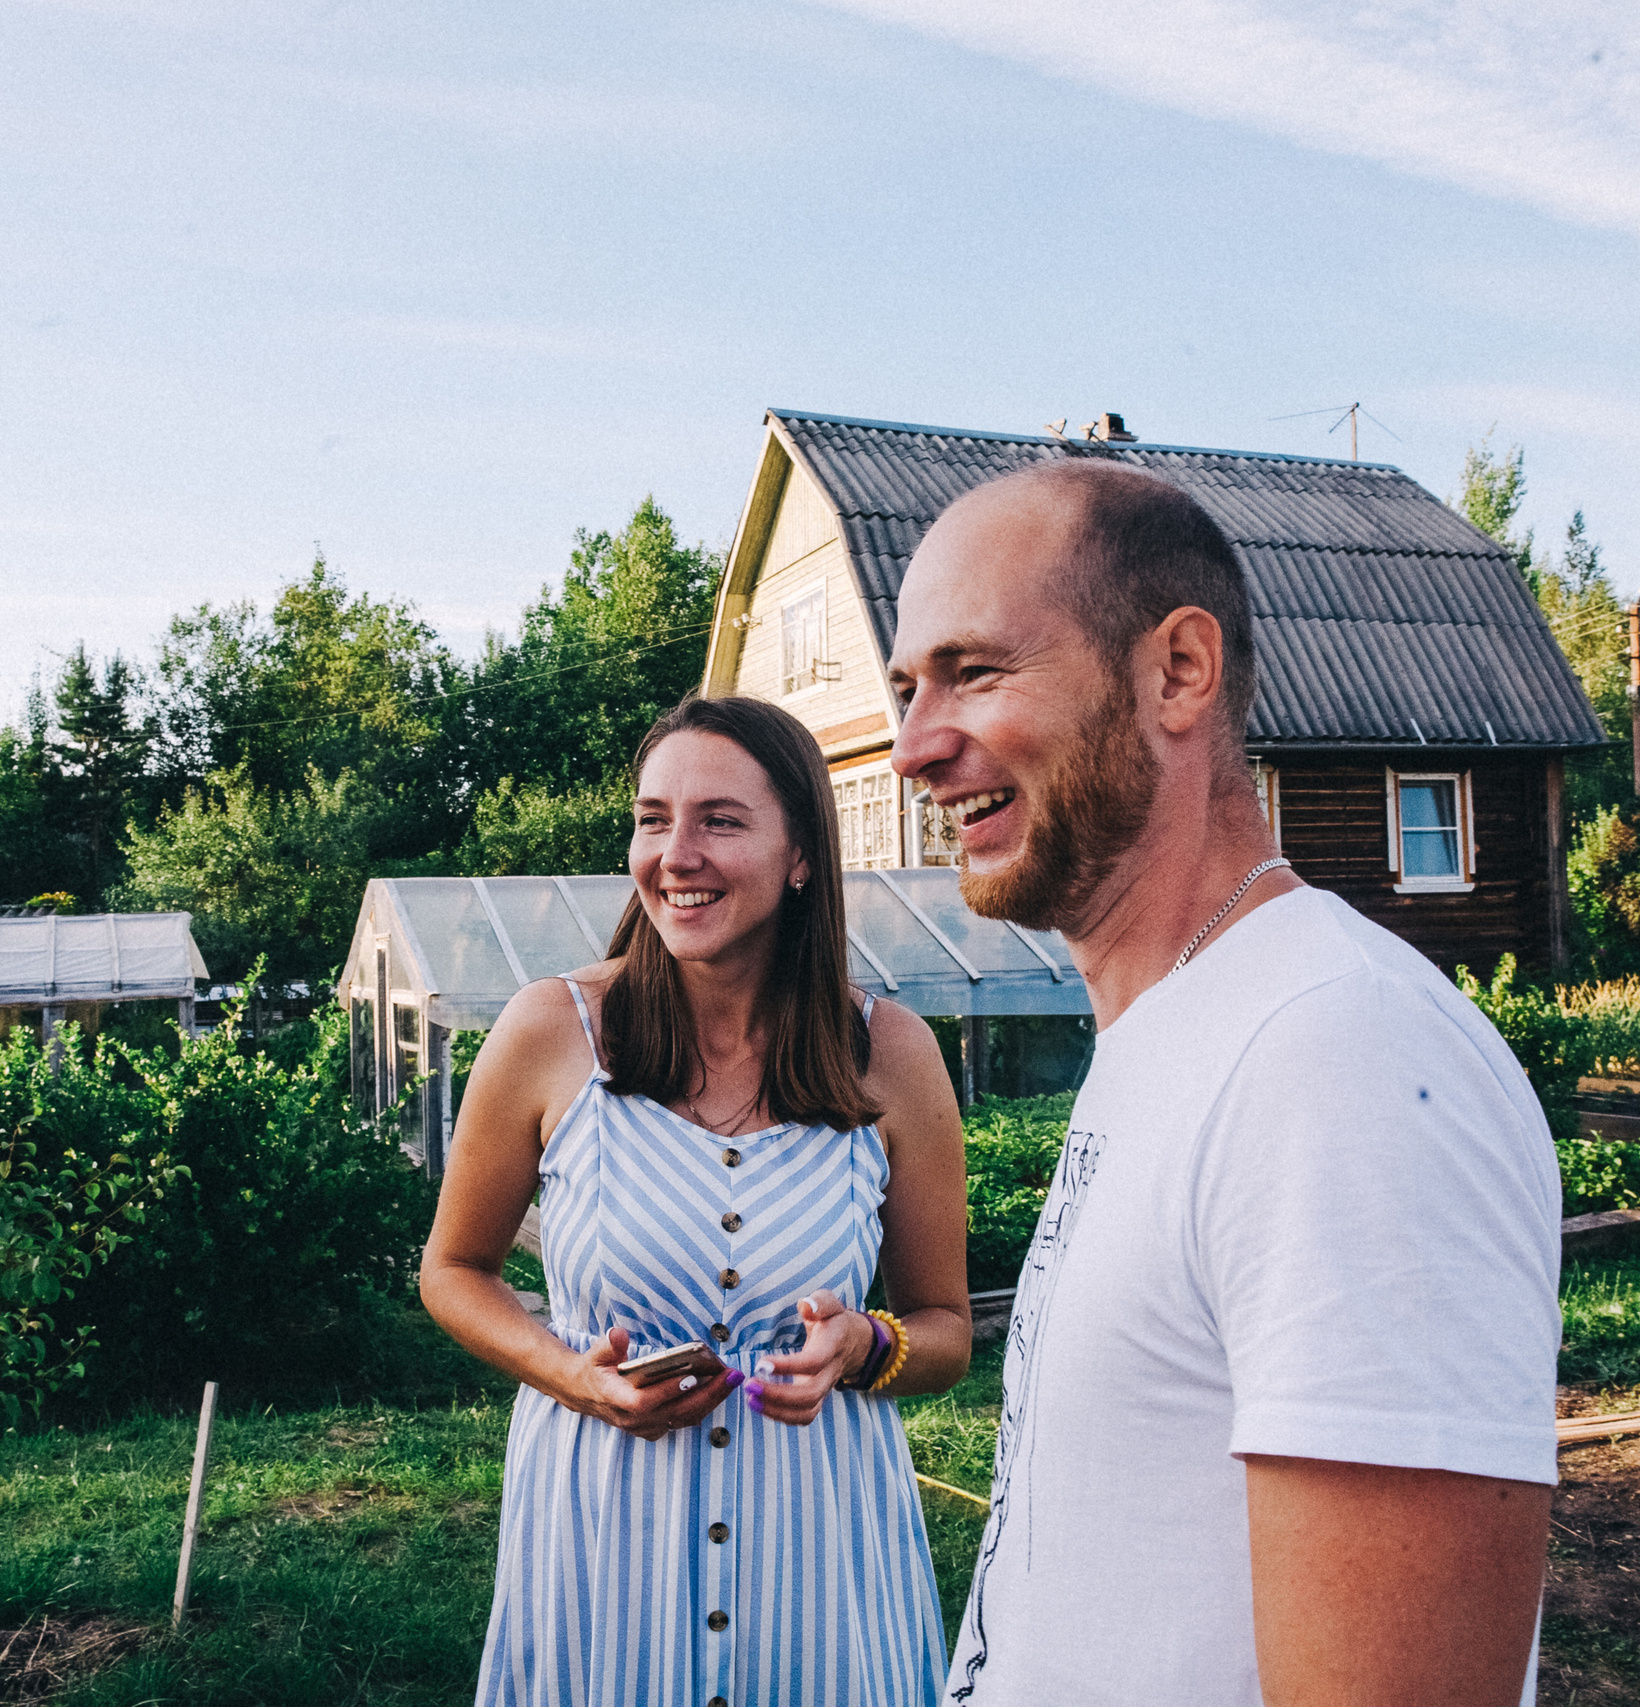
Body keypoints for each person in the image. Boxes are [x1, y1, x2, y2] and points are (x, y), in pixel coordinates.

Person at [887, 461, 1559, 1706]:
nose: (913, 747)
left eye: (973, 672)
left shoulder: (1338, 1059)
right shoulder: (1179, 1027)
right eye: (904, 690)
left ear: (1178, 671)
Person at [422, 694, 972, 1707]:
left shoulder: (892, 1055)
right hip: (602, 1552)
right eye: (653, 819)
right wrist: (575, 1377)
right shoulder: (549, 1033)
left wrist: (862, 1346)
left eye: (720, 820)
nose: (676, 855)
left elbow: (945, 1328)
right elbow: (453, 1271)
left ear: (799, 856)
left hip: (819, 1564)